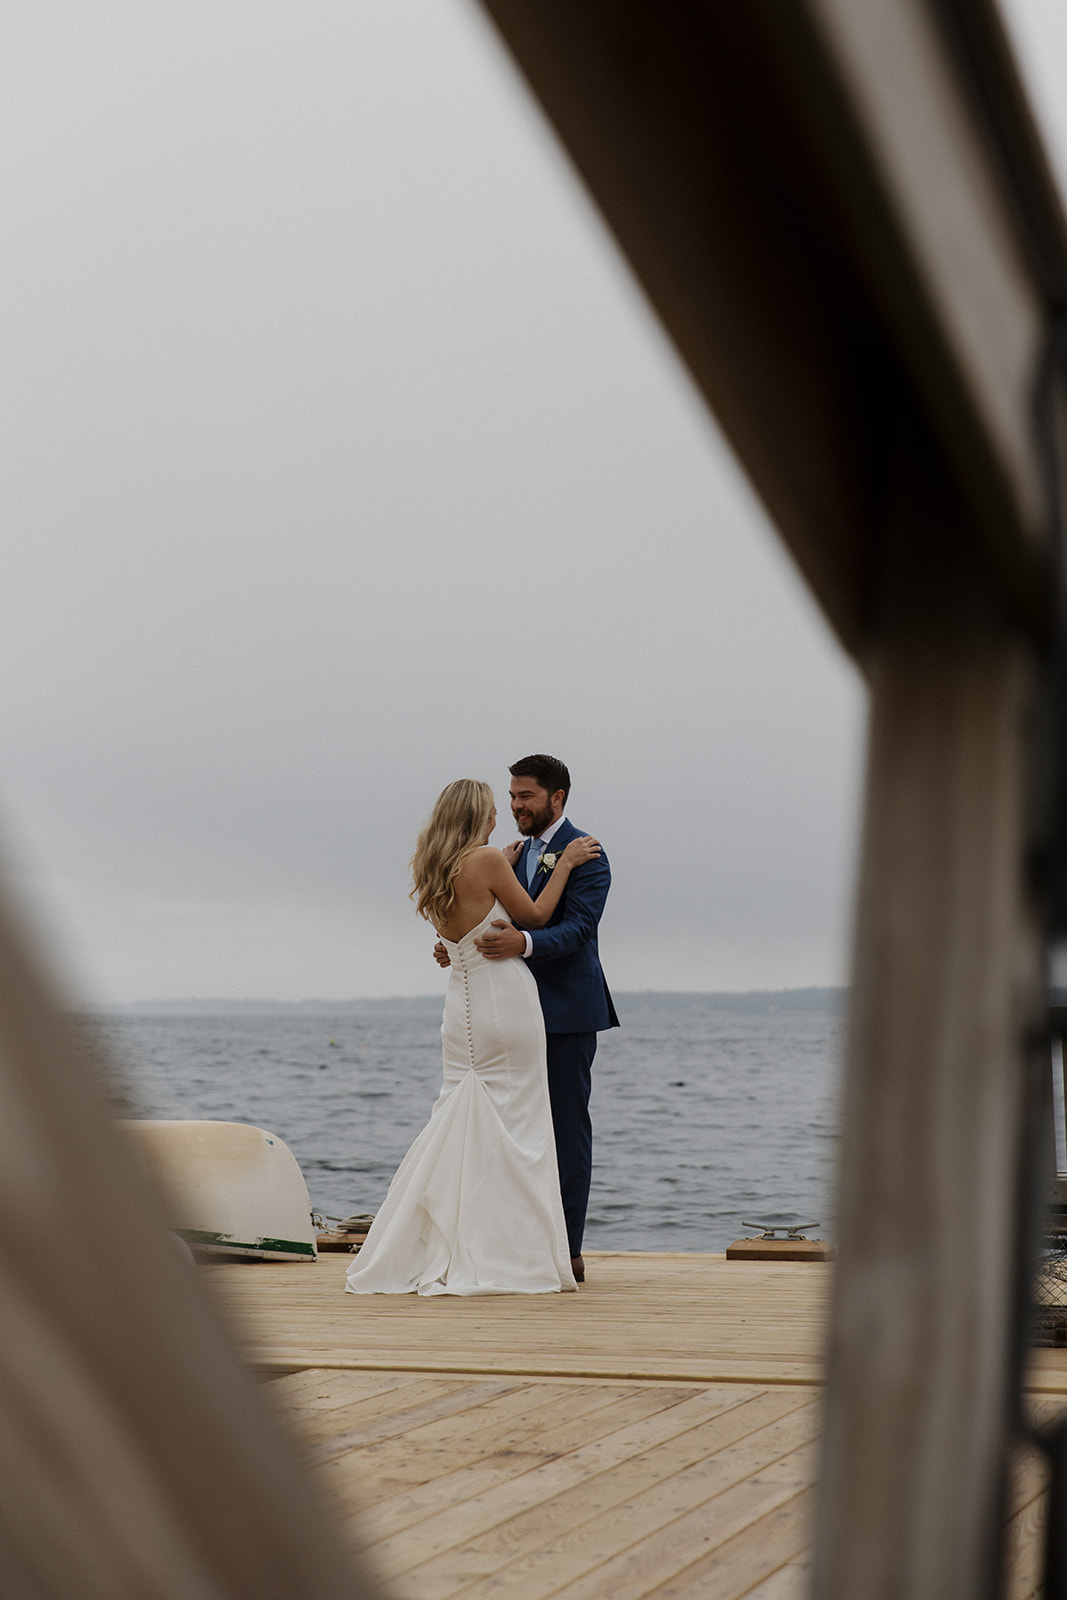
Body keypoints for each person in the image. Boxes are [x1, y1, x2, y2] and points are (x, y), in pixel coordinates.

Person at [345, 778, 600, 1296]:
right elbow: (535, 917)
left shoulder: (432, 864)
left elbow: (457, 935)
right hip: (503, 1004)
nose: (499, 815)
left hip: (459, 1010)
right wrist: (566, 864)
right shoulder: (487, 860)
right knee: (519, 1128)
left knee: (461, 1120)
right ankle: (515, 1248)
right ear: (474, 815)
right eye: (491, 808)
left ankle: (450, 1239)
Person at [439, 755, 618, 1283]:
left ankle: (567, 1250)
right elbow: (486, 913)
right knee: (505, 1130)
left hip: (564, 1011)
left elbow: (578, 929)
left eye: (526, 797)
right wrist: (459, 946)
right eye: (511, 796)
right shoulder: (507, 855)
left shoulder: (586, 854)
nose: (515, 805)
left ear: (556, 798)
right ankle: (510, 1243)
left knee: (564, 1129)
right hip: (504, 1012)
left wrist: (525, 942)